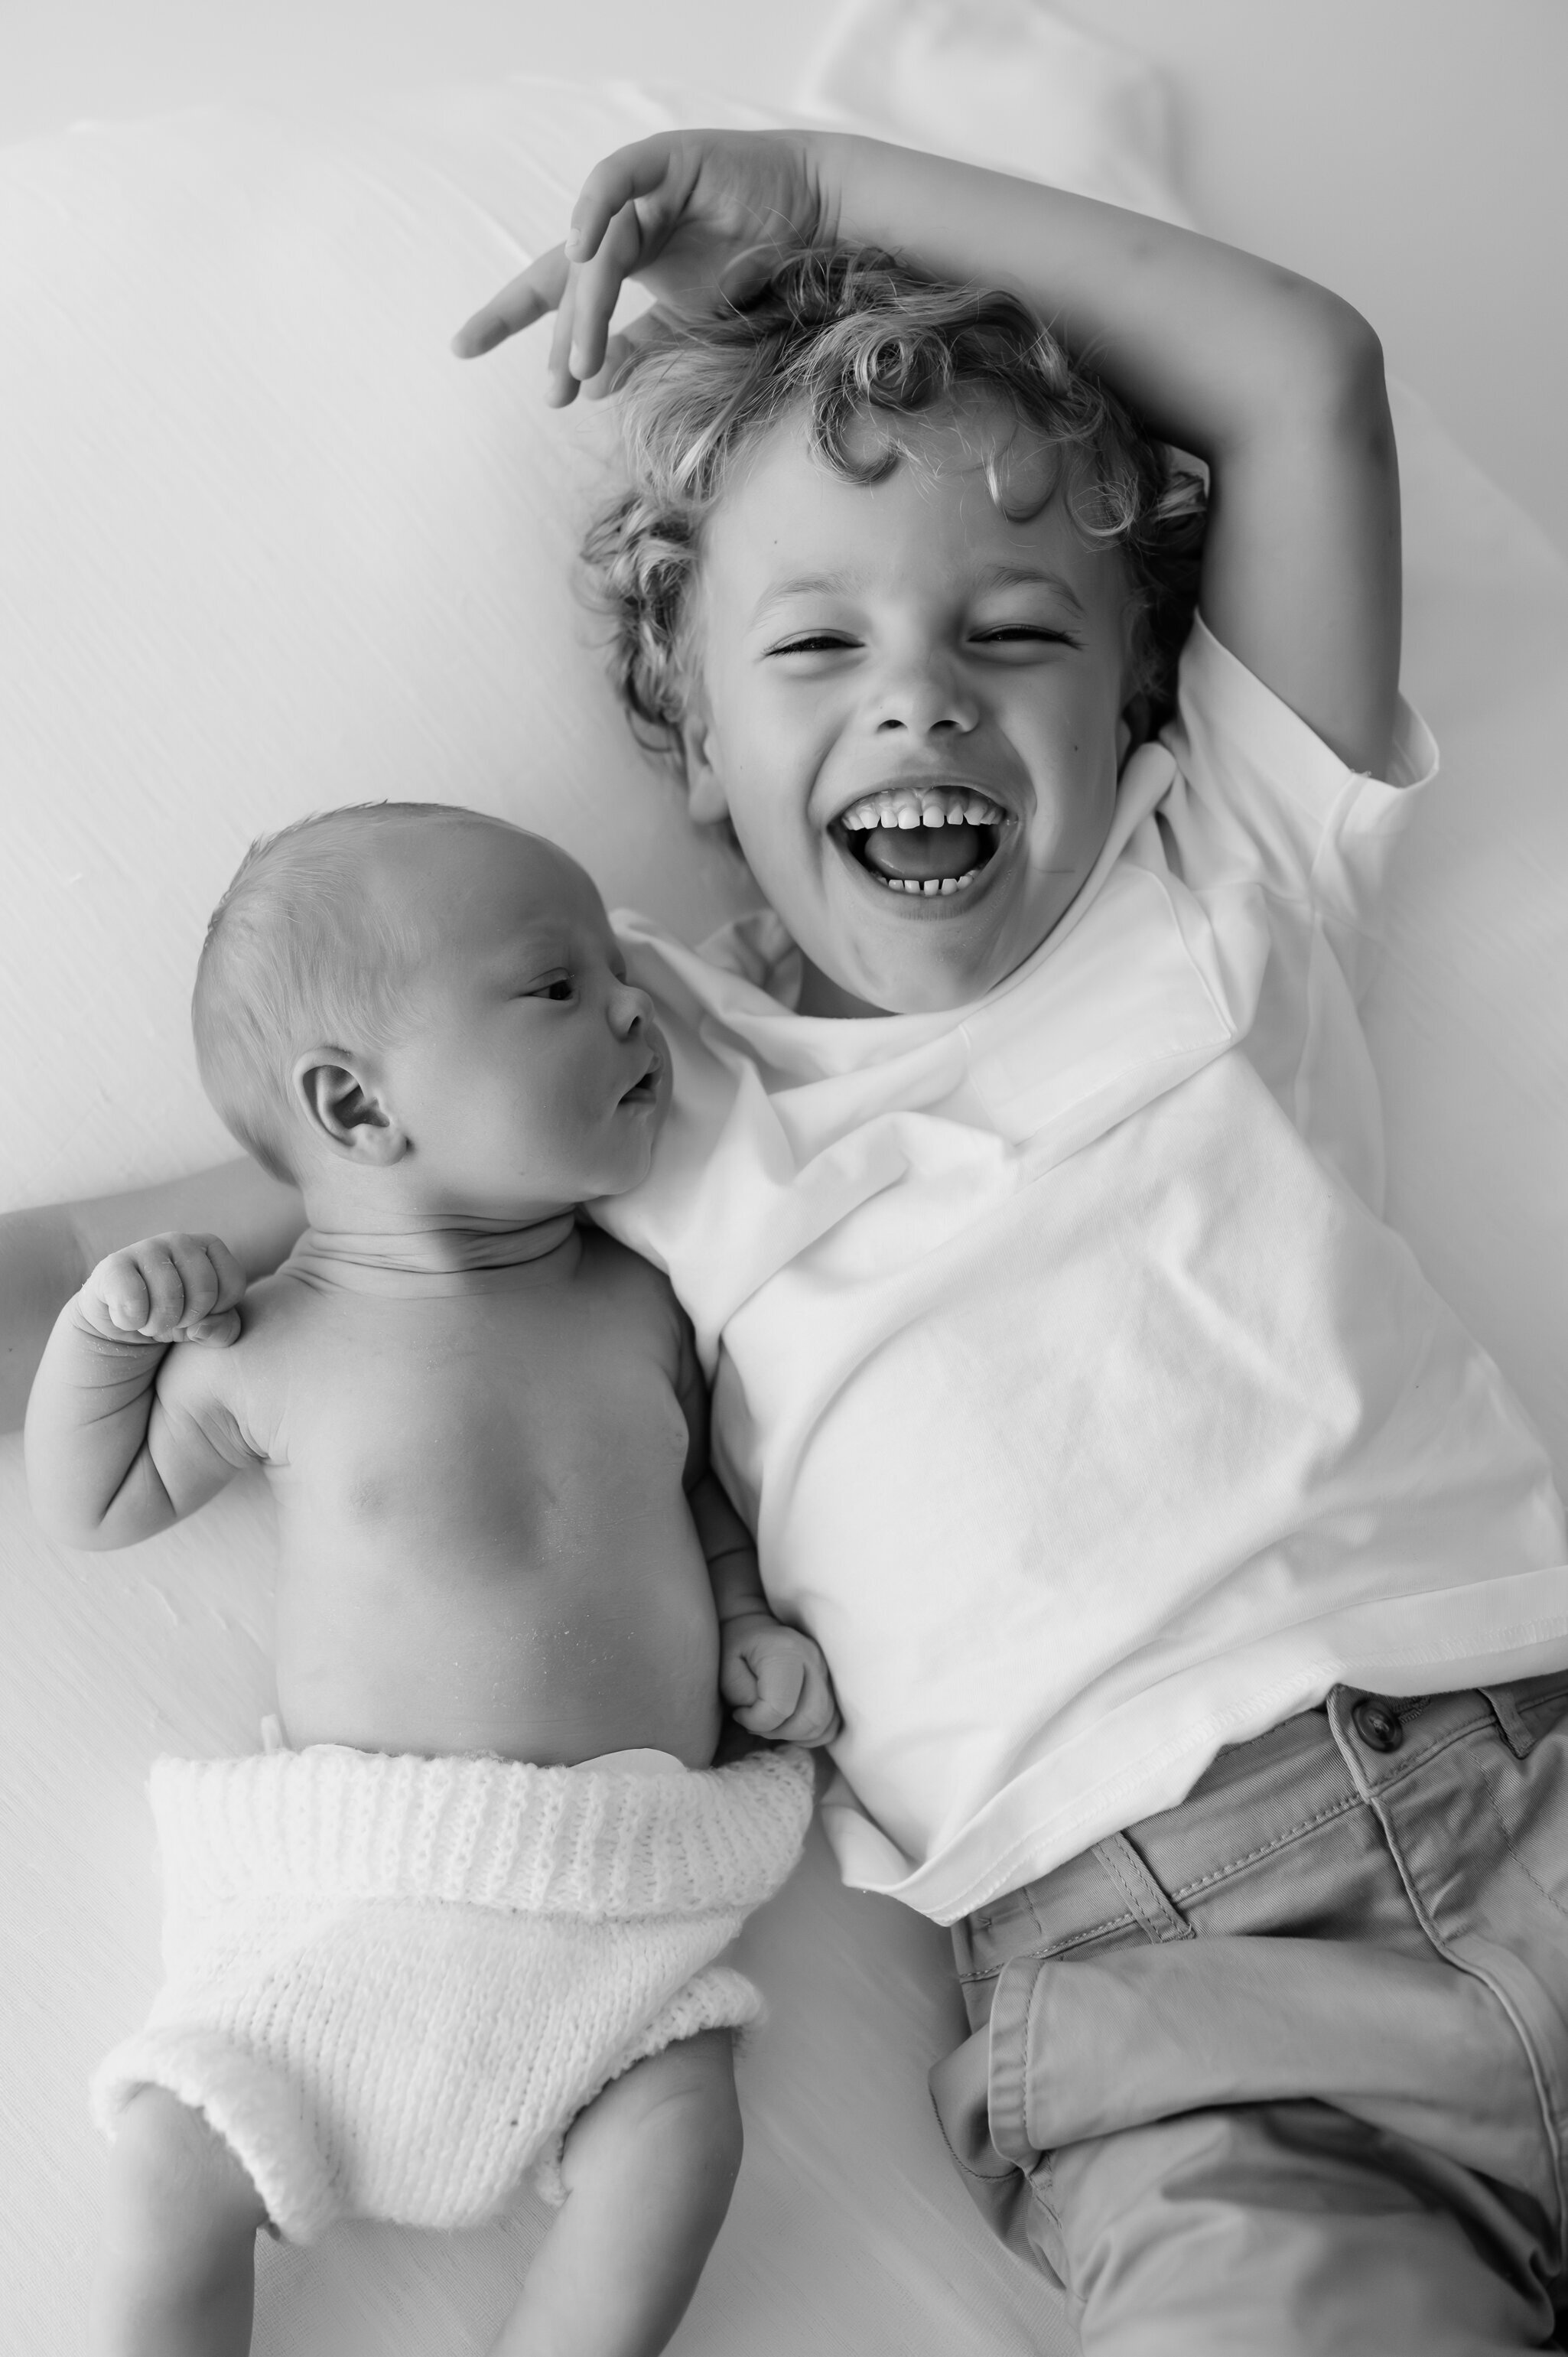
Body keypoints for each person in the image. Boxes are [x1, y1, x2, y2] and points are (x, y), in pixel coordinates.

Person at [9, 126, 1568, 2349]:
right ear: (697, 739)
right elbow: (143, 1246)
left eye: (1014, 632)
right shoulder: (638, 1065)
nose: (919, 695)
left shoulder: (1222, 868)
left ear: (1133, 690)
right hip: (1182, 2028)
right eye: (817, 645)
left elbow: (1303, 375)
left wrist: (827, 204)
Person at [23, 802, 835, 2357]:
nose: (628, 1003)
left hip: (612, 1921)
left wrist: (740, 1617)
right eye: (554, 984)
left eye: (617, 965)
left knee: (684, 2131)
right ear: (355, 1101)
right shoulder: (272, 1334)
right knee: (176, 2153)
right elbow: (99, 1500)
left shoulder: (645, 1300)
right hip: (348, 1901)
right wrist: (103, 1335)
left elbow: (693, 1495)